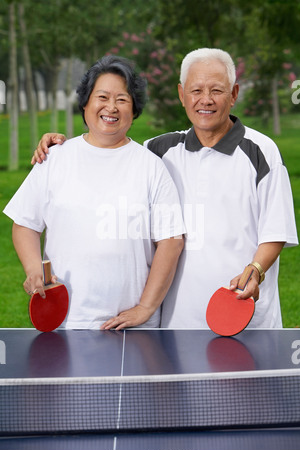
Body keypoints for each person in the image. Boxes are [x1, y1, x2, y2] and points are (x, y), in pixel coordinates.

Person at [30, 48, 298, 329]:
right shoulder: (158, 151)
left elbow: (275, 231)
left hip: (245, 318)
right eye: (196, 90)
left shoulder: (261, 152)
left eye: (217, 91)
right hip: (176, 324)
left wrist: (255, 269)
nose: (205, 100)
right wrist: (62, 146)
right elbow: (111, 148)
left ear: (233, 94)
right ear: (182, 95)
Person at [3, 56, 185, 330]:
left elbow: (171, 242)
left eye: (122, 99)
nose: (111, 107)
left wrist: (146, 307)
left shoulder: (152, 167)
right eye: (102, 96)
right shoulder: (54, 159)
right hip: (68, 321)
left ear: (134, 110)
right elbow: (25, 224)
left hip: (132, 328)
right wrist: (33, 269)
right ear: (86, 103)